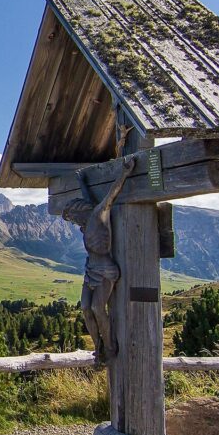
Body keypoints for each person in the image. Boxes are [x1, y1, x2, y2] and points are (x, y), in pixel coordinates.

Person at [62, 155, 137, 365]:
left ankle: (110, 345)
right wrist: (82, 181)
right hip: (90, 269)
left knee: (97, 308)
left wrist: (124, 173)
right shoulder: (87, 222)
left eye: (72, 218)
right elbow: (90, 197)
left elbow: (109, 197)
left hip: (105, 270)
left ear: (78, 214)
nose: (74, 222)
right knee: (85, 307)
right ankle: (98, 347)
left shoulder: (98, 215)